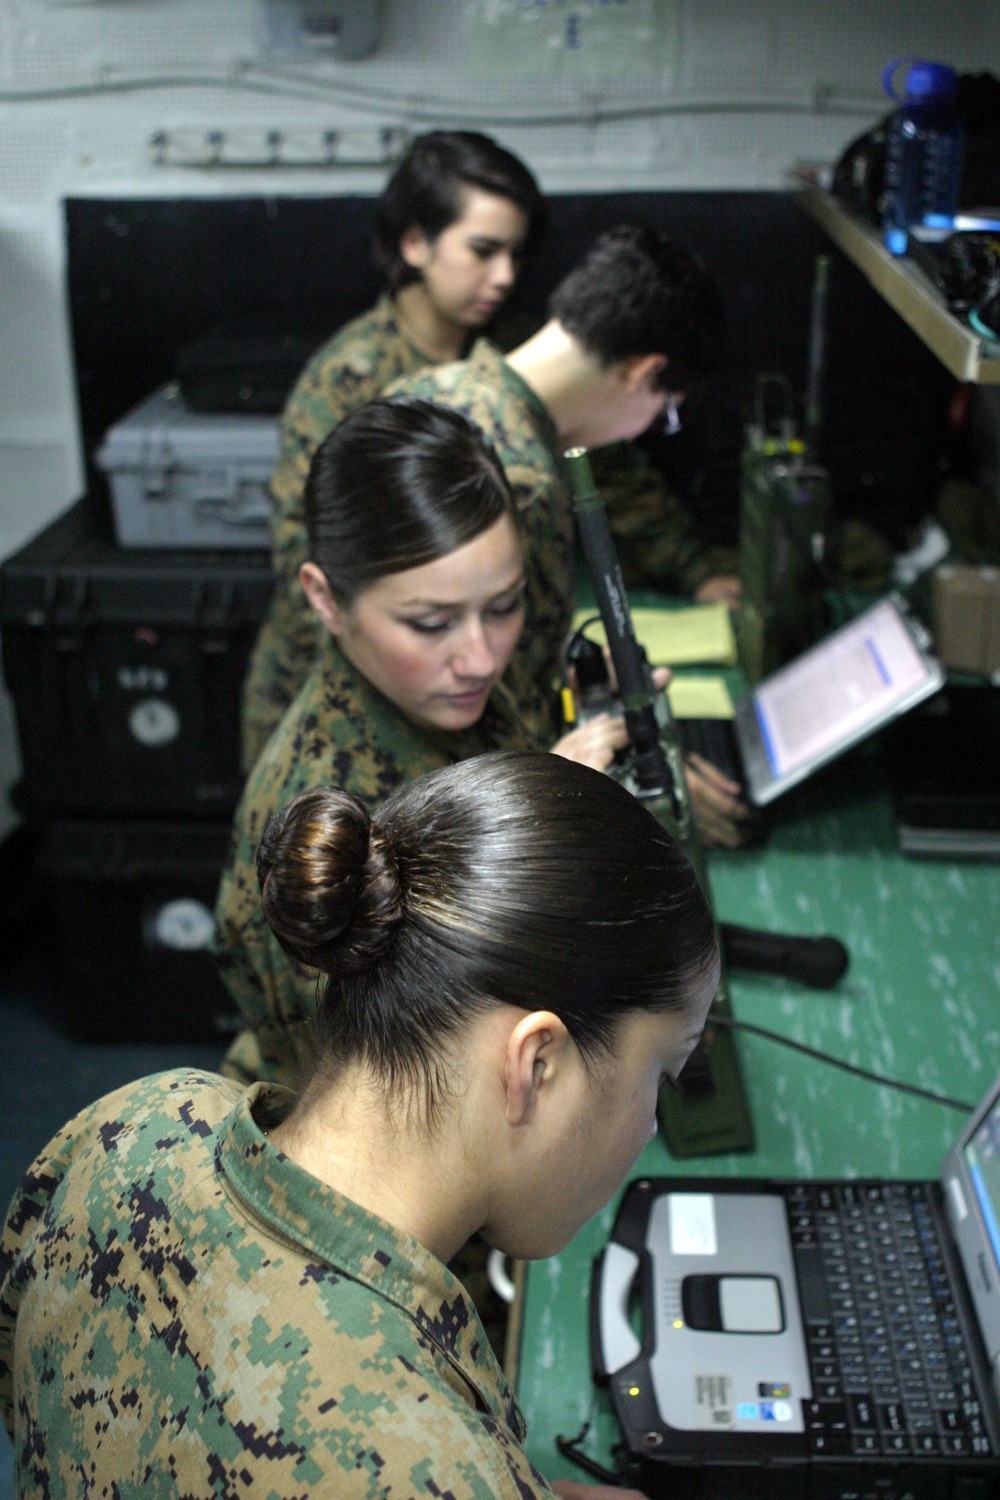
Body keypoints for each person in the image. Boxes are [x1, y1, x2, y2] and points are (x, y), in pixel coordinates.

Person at [0, 751, 719, 1500]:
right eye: (660, 1076)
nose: (647, 1130)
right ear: (536, 1064)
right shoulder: (434, 1470)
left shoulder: (134, 1127)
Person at [215, 397, 639, 1093]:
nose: (479, 658)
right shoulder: (332, 819)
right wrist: (529, 821)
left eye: (504, 607)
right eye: (430, 622)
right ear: (325, 600)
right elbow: (395, 1093)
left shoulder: (432, 692)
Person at [386, 223, 748, 840]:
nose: (645, 430)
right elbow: (483, 718)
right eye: (666, 410)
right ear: (644, 373)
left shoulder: (436, 389)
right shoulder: (518, 479)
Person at [242, 129, 545, 769]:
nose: (505, 277)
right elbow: (304, 570)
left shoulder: (510, 351)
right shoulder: (348, 381)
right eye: (484, 251)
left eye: (516, 254)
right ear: (415, 243)